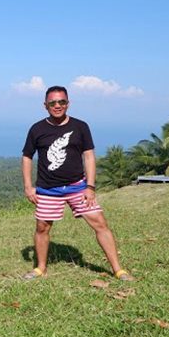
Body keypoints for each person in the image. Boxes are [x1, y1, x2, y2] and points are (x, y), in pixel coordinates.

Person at [21, 86, 133, 281]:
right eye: (52, 102)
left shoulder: (80, 126)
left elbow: (88, 156)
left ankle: (118, 270)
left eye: (62, 102)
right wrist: (28, 187)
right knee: (42, 227)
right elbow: (27, 157)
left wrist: (90, 186)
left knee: (100, 223)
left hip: (77, 186)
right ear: (45, 105)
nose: (57, 106)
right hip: (48, 189)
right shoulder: (37, 129)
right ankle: (40, 268)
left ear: (68, 103)